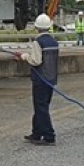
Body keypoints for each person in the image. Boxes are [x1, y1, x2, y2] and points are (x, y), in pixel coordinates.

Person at [21, 13, 59, 145]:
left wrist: (25, 56)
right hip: (51, 79)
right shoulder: (54, 42)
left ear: (37, 27)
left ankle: (49, 136)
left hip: (40, 79)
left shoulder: (38, 42)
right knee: (42, 106)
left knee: (41, 107)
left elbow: (36, 61)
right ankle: (36, 133)